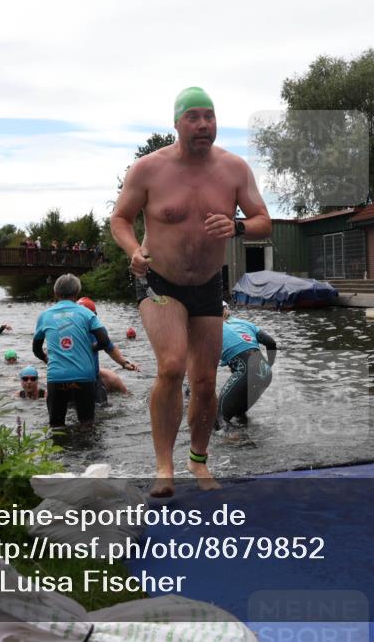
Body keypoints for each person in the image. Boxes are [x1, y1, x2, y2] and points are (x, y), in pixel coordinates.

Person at [110, 86, 272, 496]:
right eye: (194, 117)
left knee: (203, 382)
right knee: (171, 365)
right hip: (158, 281)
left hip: (207, 284)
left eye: (210, 116)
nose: (203, 125)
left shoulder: (234, 169)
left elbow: (262, 220)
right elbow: (120, 219)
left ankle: (198, 461)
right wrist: (134, 251)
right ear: (177, 124)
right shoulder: (148, 169)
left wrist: (236, 226)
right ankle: (164, 467)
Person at [32, 274, 119, 427]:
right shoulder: (87, 313)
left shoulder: (45, 316)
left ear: (55, 293)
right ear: (77, 293)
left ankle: (60, 450)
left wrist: (47, 359)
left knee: (56, 425)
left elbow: (36, 349)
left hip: (57, 376)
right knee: (87, 424)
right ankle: (88, 450)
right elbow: (104, 341)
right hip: (84, 376)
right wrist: (91, 347)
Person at [216, 302, 276, 429]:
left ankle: (238, 442)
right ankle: (246, 439)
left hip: (245, 370)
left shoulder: (211, 328)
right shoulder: (244, 323)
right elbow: (271, 342)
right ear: (227, 310)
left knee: (219, 417)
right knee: (239, 413)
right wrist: (269, 365)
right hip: (265, 372)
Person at [76, 297, 140, 395]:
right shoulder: (68, 332)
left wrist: (125, 363)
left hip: (91, 376)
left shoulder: (97, 332)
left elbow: (110, 348)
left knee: (116, 383)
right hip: (75, 377)